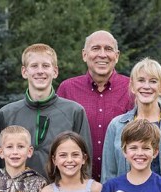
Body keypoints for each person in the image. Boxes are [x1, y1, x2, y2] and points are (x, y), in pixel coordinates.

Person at [102, 57, 161, 192]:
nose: (146, 86)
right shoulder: (117, 125)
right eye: (141, 80)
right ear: (133, 86)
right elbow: (108, 176)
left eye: (153, 81)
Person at [0, 43, 92, 178]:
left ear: (55, 71)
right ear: (24, 72)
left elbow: (85, 160)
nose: (40, 71)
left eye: (46, 66)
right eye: (34, 66)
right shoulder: (6, 114)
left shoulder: (74, 112)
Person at [57, 30, 134, 182]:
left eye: (108, 49)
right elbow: (59, 139)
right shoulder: (67, 89)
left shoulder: (132, 88)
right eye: (96, 48)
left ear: (117, 56)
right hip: (77, 183)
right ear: (84, 55)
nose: (102, 54)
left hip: (121, 182)